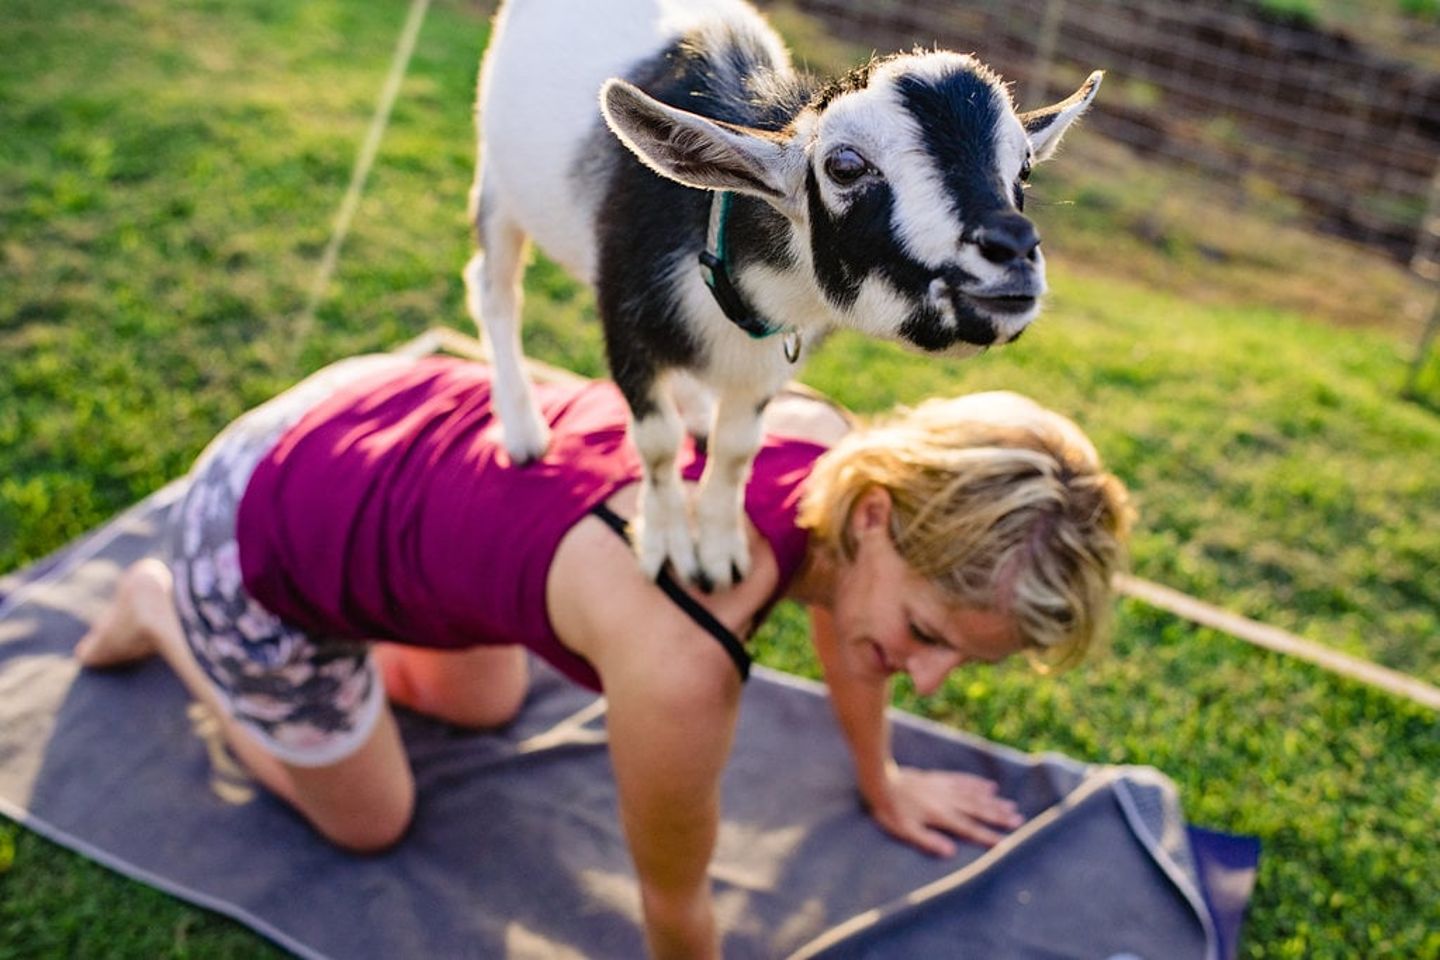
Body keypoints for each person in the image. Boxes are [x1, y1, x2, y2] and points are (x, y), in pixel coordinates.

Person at [76, 351, 1132, 960]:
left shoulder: (819, 442)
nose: (930, 675)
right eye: (933, 637)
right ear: (874, 517)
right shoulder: (682, 661)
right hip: (255, 534)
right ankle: (164, 611)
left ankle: (363, 622)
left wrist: (882, 776)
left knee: (484, 708)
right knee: (371, 823)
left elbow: (851, 617)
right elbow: (673, 906)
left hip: (372, 408)